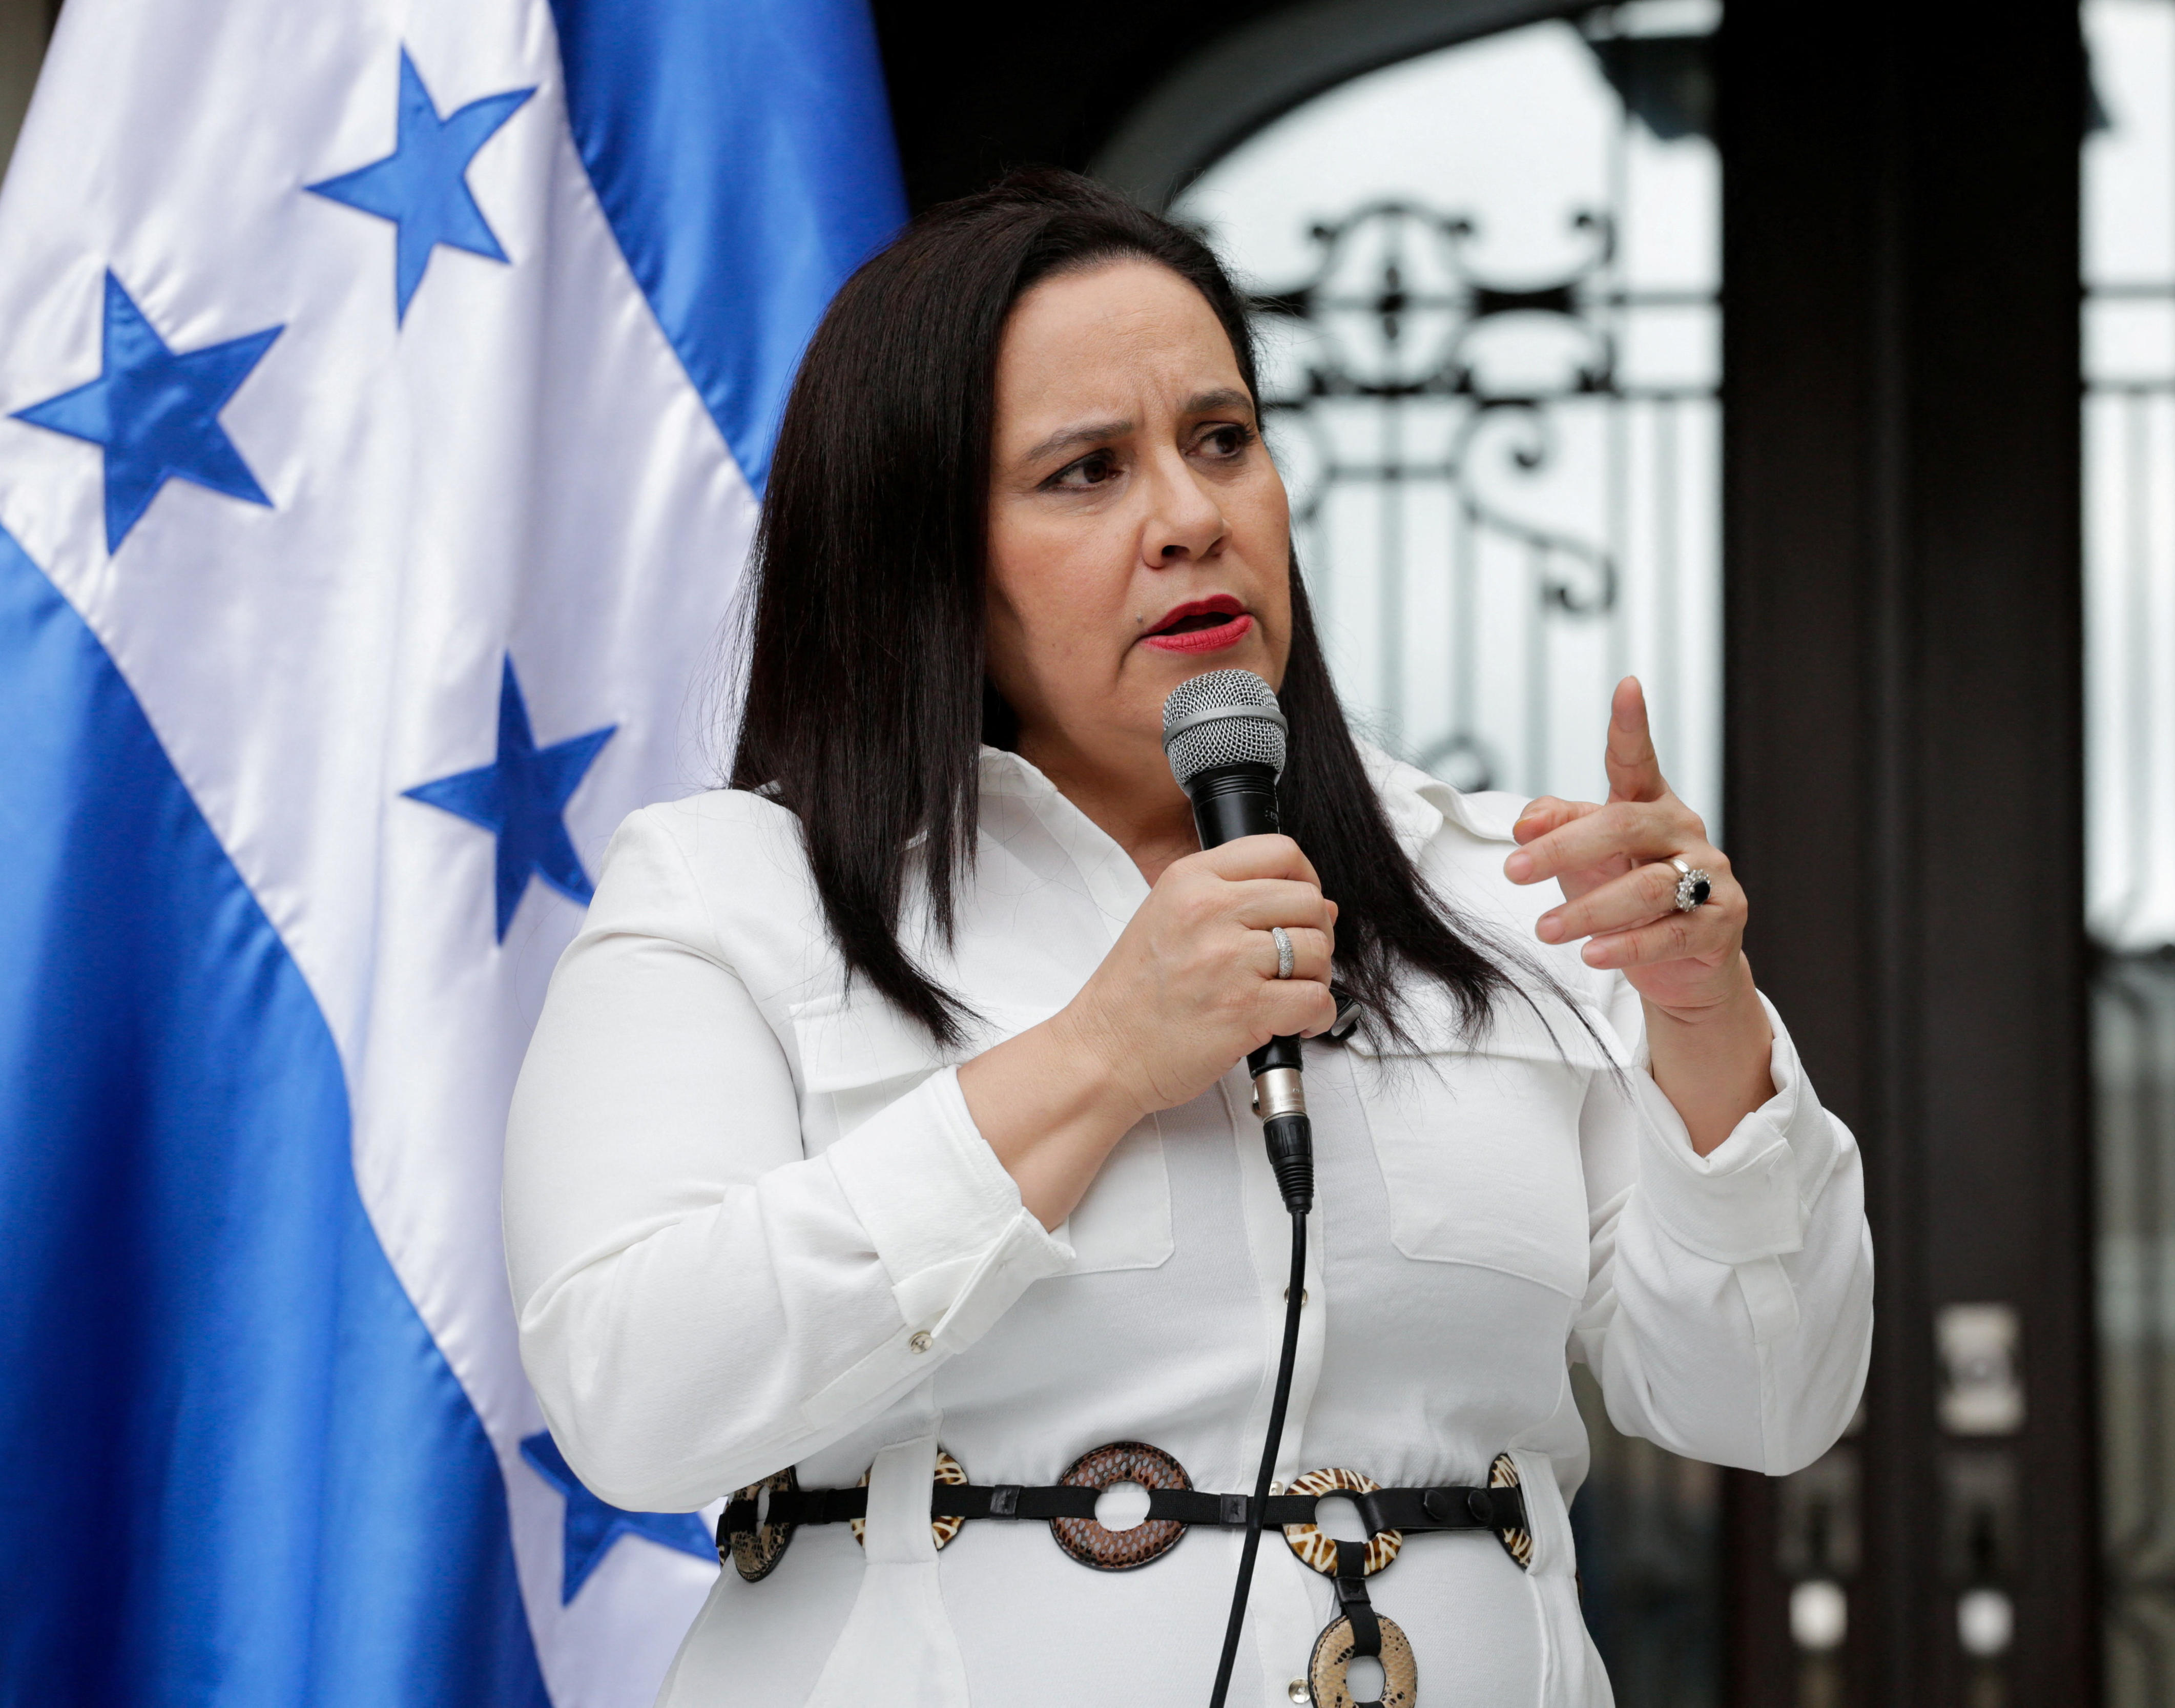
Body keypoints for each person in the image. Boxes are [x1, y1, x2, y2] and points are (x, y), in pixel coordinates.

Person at [503, 170, 1870, 1708]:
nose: (1190, 517)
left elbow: (1769, 1400)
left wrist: (1705, 1025)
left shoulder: (1500, 889)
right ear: (926, 557)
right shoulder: (737, 891)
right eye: (1086, 472)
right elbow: (632, 1393)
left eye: (1222, 440)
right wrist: (1096, 1061)